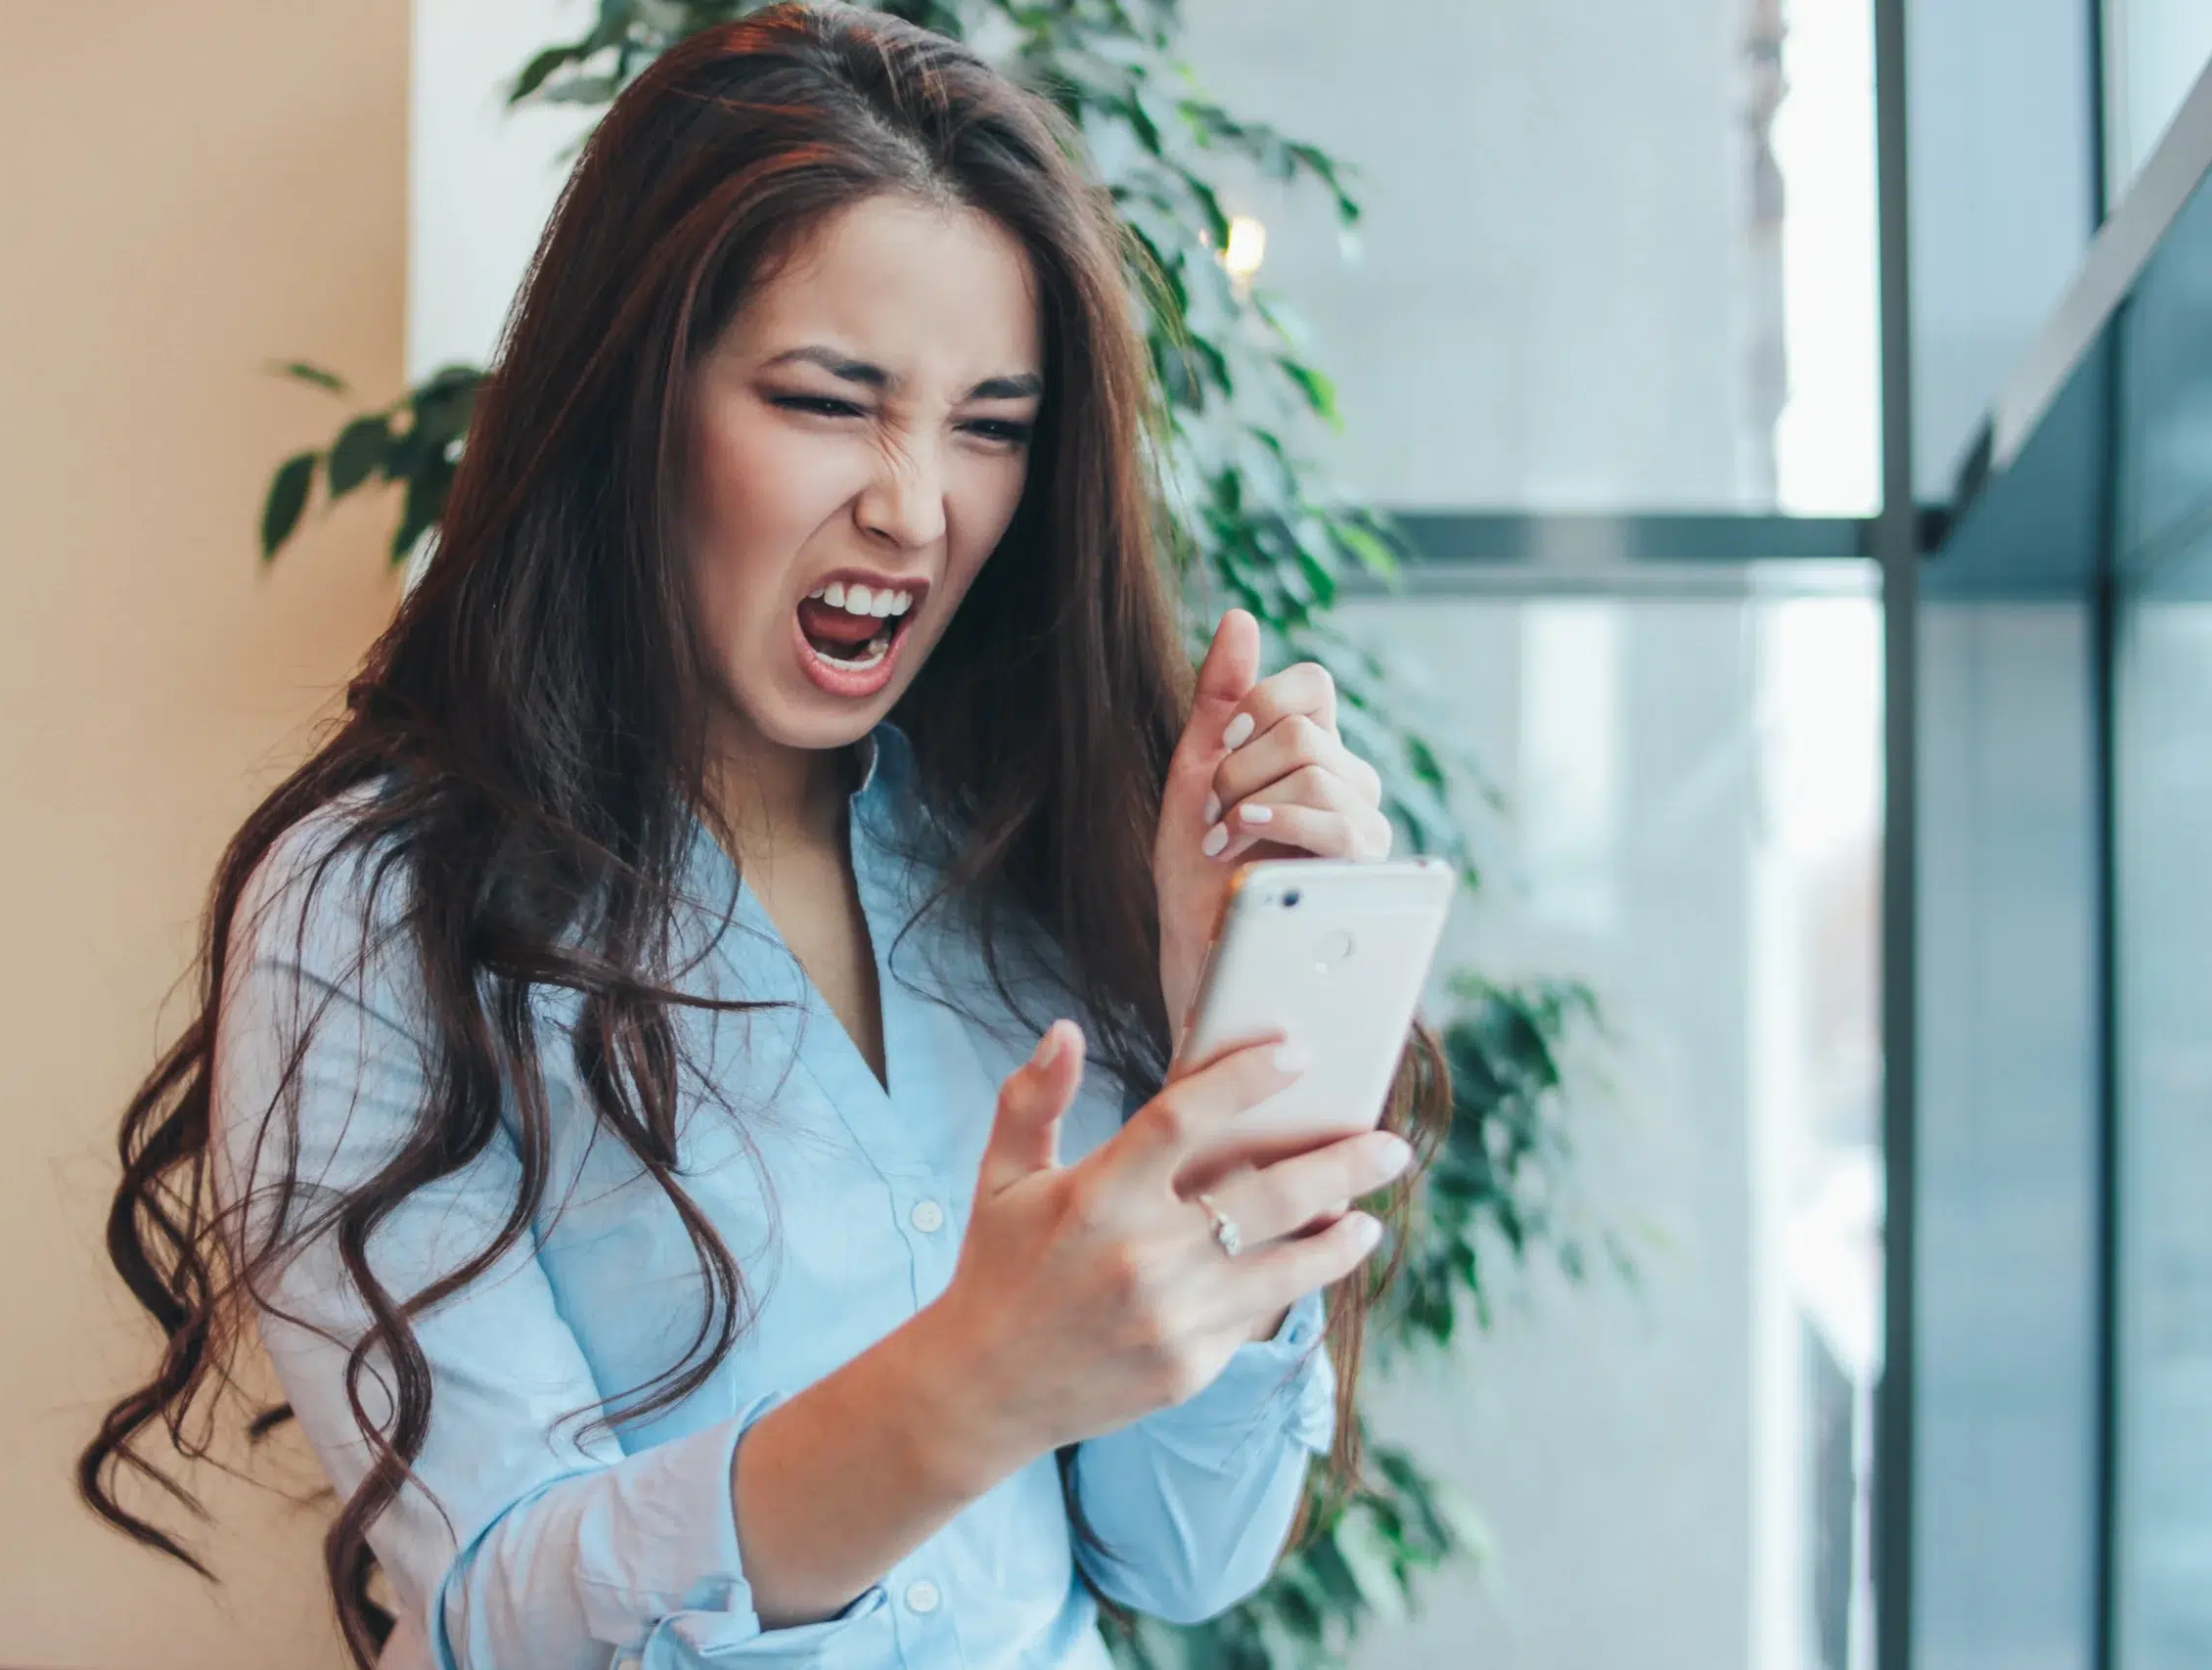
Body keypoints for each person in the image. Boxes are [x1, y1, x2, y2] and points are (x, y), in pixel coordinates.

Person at [80, 6, 1445, 1667]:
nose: (917, 504)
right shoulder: (378, 909)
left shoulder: (1029, 849)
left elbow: (1185, 1553)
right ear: (632, 403)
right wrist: (963, 1388)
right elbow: (508, 1617)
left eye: (992, 426)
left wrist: (1239, 1034)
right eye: (826, 399)